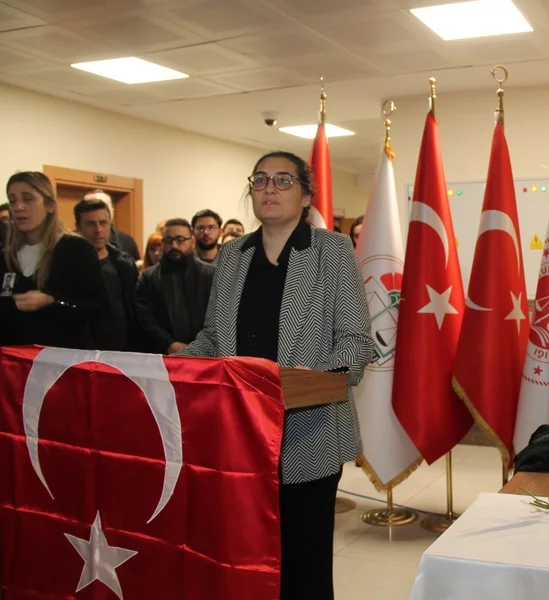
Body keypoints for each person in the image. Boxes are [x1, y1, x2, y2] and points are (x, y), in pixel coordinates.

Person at [179, 150, 374, 600]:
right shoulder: (233, 254)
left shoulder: (331, 250)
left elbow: (356, 342)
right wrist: (174, 367)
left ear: (306, 196)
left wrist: (315, 375)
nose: (270, 188)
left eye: (284, 180)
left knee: (303, 565)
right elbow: (213, 337)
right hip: (240, 435)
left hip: (308, 431)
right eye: (261, 179)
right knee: (246, 559)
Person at [0, 172, 108, 349]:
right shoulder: (6, 256)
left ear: (50, 205)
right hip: (16, 360)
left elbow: (99, 310)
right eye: (13, 201)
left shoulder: (75, 249)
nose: (18, 207)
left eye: (28, 199)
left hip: (62, 359)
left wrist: (53, 302)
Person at [135, 218, 215, 354]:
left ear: (192, 241)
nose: (174, 246)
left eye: (180, 240)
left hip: (205, 354)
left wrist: (200, 346)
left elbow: (220, 316)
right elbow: (143, 318)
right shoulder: (148, 277)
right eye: (168, 240)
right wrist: (169, 344)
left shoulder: (210, 275)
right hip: (162, 354)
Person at [73, 198, 139, 351]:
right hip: (82, 349)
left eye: (103, 223)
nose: (98, 230)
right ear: (78, 227)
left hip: (123, 349)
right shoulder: (68, 265)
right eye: (90, 224)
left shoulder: (124, 264)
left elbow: (134, 309)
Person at [83, 189, 141, 262]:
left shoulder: (126, 240)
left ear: (112, 211)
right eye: (92, 207)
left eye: (103, 207)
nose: (98, 230)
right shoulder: (72, 242)